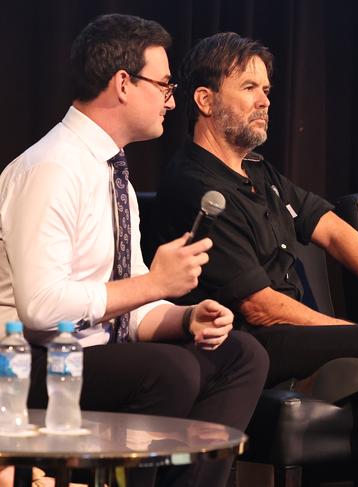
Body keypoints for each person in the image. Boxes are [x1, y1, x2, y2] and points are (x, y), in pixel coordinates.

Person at [152, 32, 358, 486]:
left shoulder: (258, 170)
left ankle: (340, 371)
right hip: (248, 343)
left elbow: (333, 230)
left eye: (268, 90)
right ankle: (334, 374)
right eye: (249, 88)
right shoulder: (197, 184)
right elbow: (260, 306)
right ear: (204, 99)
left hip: (298, 336)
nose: (265, 101)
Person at [0, 15, 268, 487]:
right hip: (30, 365)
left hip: (99, 354)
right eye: (164, 85)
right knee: (170, 369)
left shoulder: (112, 172)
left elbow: (133, 313)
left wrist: (185, 318)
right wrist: (153, 284)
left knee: (242, 353)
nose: (171, 99)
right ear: (123, 83)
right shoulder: (51, 168)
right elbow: (41, 309)